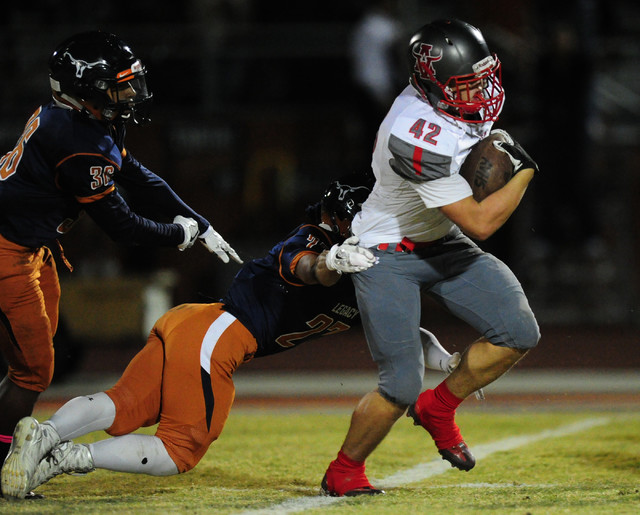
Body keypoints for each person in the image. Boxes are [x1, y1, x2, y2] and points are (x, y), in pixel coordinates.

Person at [1, 180, 463, 499]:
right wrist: (333, 262)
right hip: (219, 335)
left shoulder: (368, 272)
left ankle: (40, 435)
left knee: (125, 405)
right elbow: (308, 268)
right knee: (179, 450)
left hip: (198, 323)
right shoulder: (313, 242)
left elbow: (397, 326)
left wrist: (441, 359)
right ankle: (61, 457)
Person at [0, 30, 241, 488]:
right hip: (6, 250)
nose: (130, 93)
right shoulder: (74, 138)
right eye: (118, 84)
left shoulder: (82, 118)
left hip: (31, 245)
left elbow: (139, 176)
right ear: (85, 88)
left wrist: (200, 222)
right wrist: (180, 235)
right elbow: (123, 227)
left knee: (33, 363)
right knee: (32, 371)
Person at [320, 19, 541, 497]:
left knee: (518, 331)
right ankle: (344, 470)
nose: (480, 92)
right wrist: (522, 172)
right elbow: (480, 222)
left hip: (437, 240)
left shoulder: (453, 104)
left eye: (483, 78)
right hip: (385, 251)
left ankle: (439, 407)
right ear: (430, 83)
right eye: (466, 85)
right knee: (399, 385)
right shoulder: (413, 131)